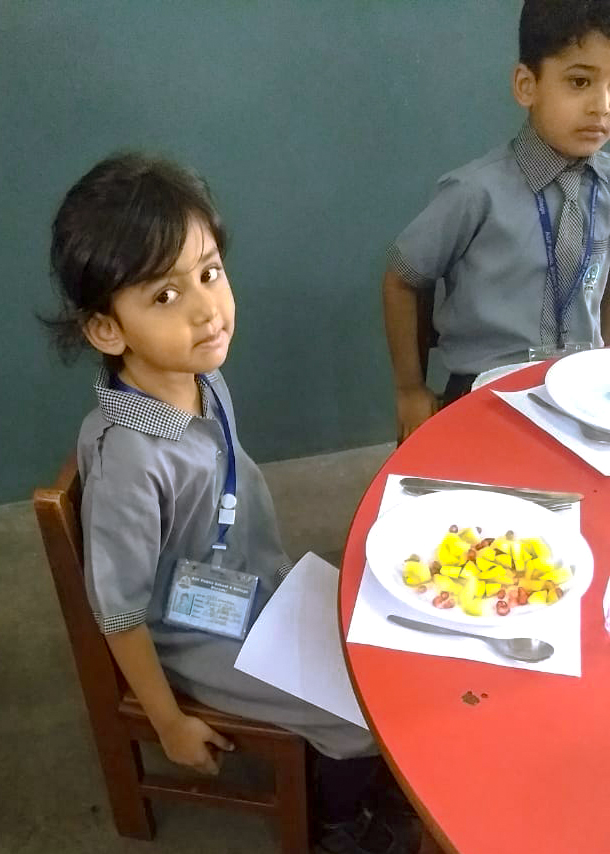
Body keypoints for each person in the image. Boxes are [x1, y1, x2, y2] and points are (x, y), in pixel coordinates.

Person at [46, 153, 419, 854]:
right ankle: (337, 823)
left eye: (210, 273)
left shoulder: (199, 376)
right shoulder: (130, 463)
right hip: (191, 635)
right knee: (359, 717)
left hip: (251, 581)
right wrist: (169, 722)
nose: (205, 309)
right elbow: (119, 611)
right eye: (164, 295)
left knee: (390, 643)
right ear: (106, 330)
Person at [383, 0, 610, 442]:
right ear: (527, 86)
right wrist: (409, 389)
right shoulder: (474, 192)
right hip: (484, 391)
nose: (601, 106)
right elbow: (401, 278)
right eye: (580, 81)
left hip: (582, 388)